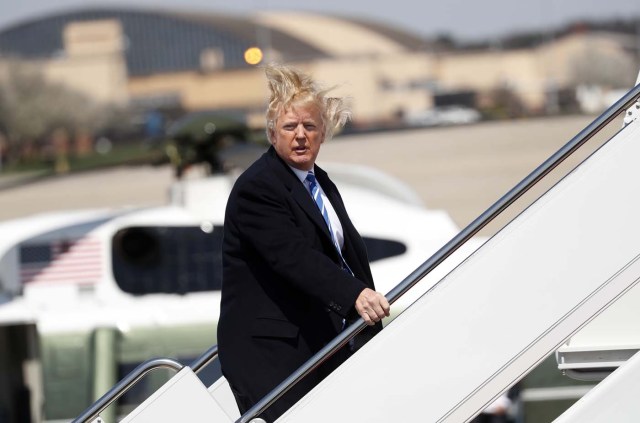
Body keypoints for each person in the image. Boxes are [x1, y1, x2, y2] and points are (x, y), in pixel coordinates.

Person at [217, 63, 390, 422]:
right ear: (271, 134)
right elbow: (292, 256)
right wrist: (353, 295)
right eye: (289, 126)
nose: (300, 135)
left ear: (323, 133)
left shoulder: (318, 182)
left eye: (309, 126)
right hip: (273, 355)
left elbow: (346, 254)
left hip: (319, 344)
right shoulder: (258, 188)